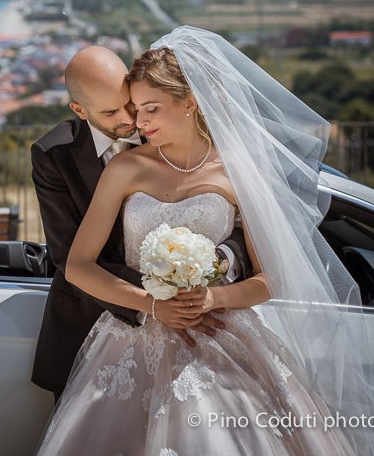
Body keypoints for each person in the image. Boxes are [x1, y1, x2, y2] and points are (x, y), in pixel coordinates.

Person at [35, 26, 374, 455]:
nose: (137, 123)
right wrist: (154, 305)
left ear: (190, 102)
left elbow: (271, 278)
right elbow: (76, 262)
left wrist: (213, 298)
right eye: (133, 110)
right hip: (126, 338)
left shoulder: (237, 175)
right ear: (80, 109)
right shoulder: (123, 167)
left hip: (219, 335)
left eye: (147, 108)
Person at [30, 45, 236, 400]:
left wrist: (212, 268)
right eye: (112, 111)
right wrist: (159, 299)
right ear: (80, 110)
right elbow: (68, 256)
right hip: (91, 319)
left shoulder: (164, 124)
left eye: (133, 103)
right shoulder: (53, 155)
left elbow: (241, 230)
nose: (133, 120)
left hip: (201, 322)